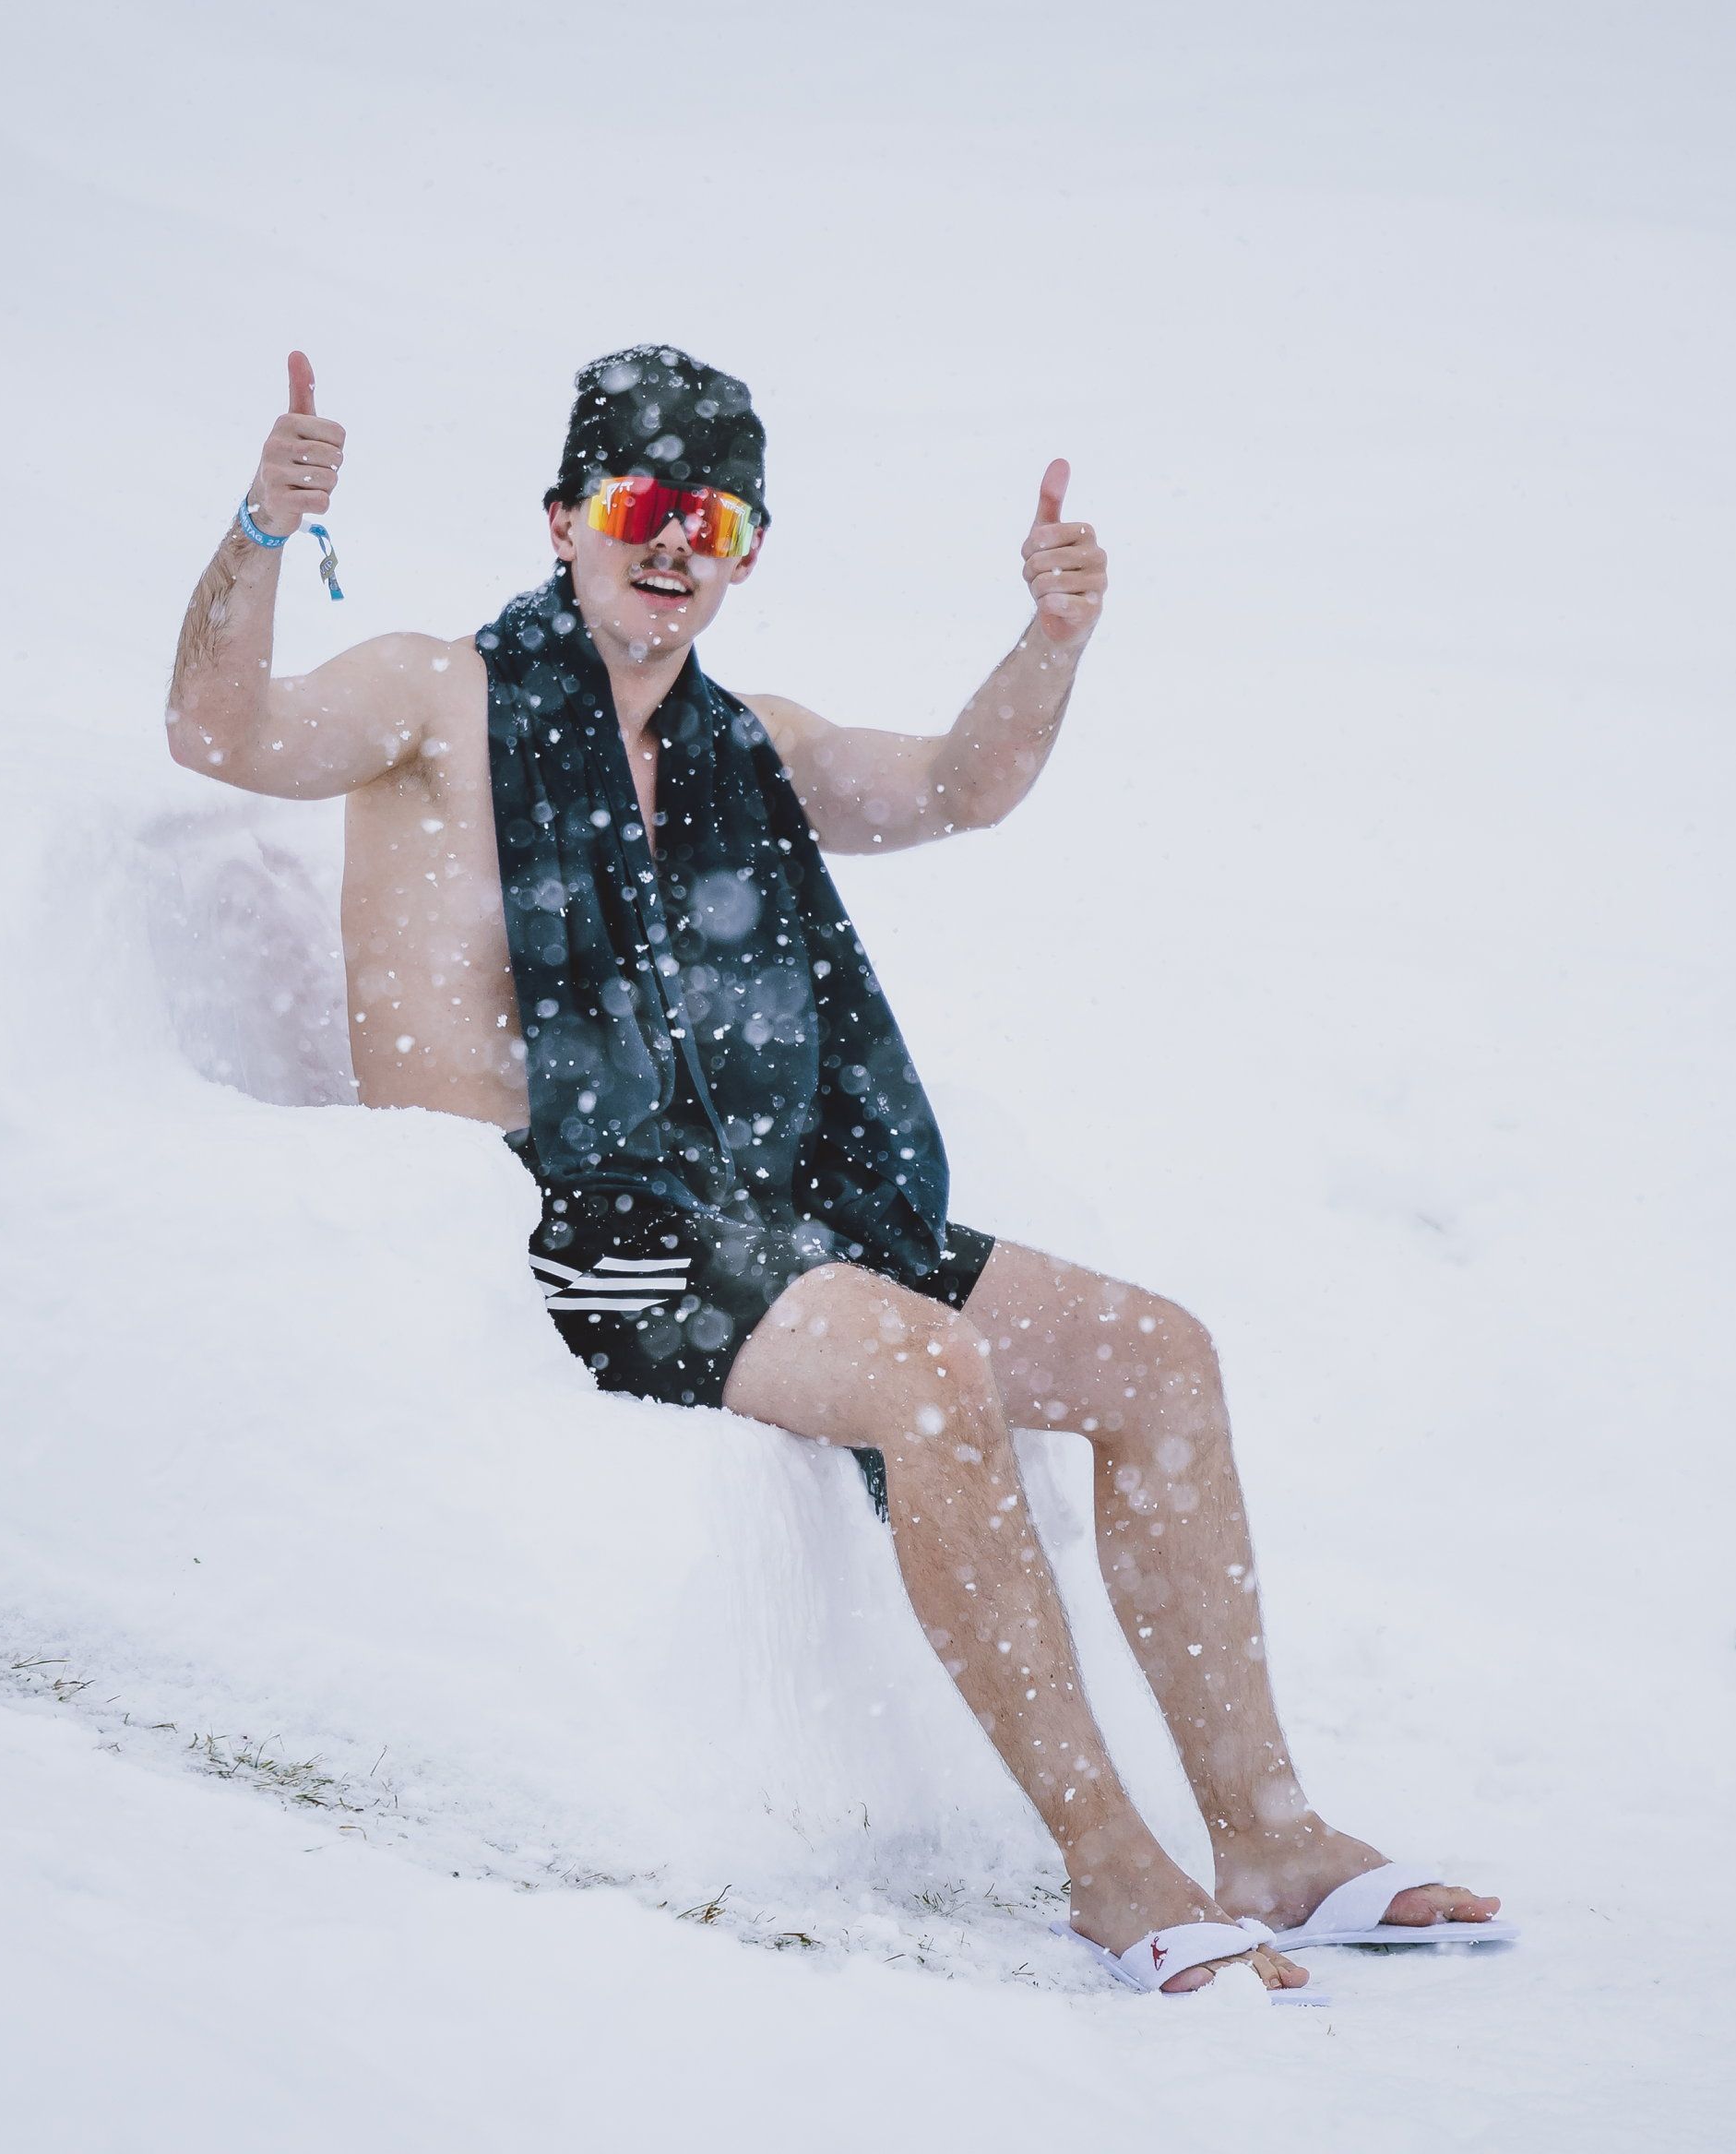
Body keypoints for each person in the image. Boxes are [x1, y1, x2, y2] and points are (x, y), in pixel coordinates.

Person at [163, 346, 1506, 1997]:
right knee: (930, 1376)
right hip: (559, 1219)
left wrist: (1051, 641)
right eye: (640, 506)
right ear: (565, 518)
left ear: (746, 552)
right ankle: (1109, 1866)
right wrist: (261, 528)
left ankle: (1271, 1834)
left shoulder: (745, 744)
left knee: (1159, 1359)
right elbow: (216, 728)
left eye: (715, 519)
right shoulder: (434, 694)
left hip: (743, 1207)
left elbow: (957, 786)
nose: (675, 545)